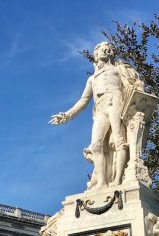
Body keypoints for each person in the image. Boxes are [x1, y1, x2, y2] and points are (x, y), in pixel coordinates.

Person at [50, 42, 143, 190]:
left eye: (108, 50)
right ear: (96, 55)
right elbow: (84, 101)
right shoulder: (92, 79)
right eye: (102, 50)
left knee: (119, 141)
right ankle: (102, 182)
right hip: (100, 109)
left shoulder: (118, 69)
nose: (105, 52)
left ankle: (118, 181)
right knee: (96, 146)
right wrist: (67, 115)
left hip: (115, 102)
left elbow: (131, 86)